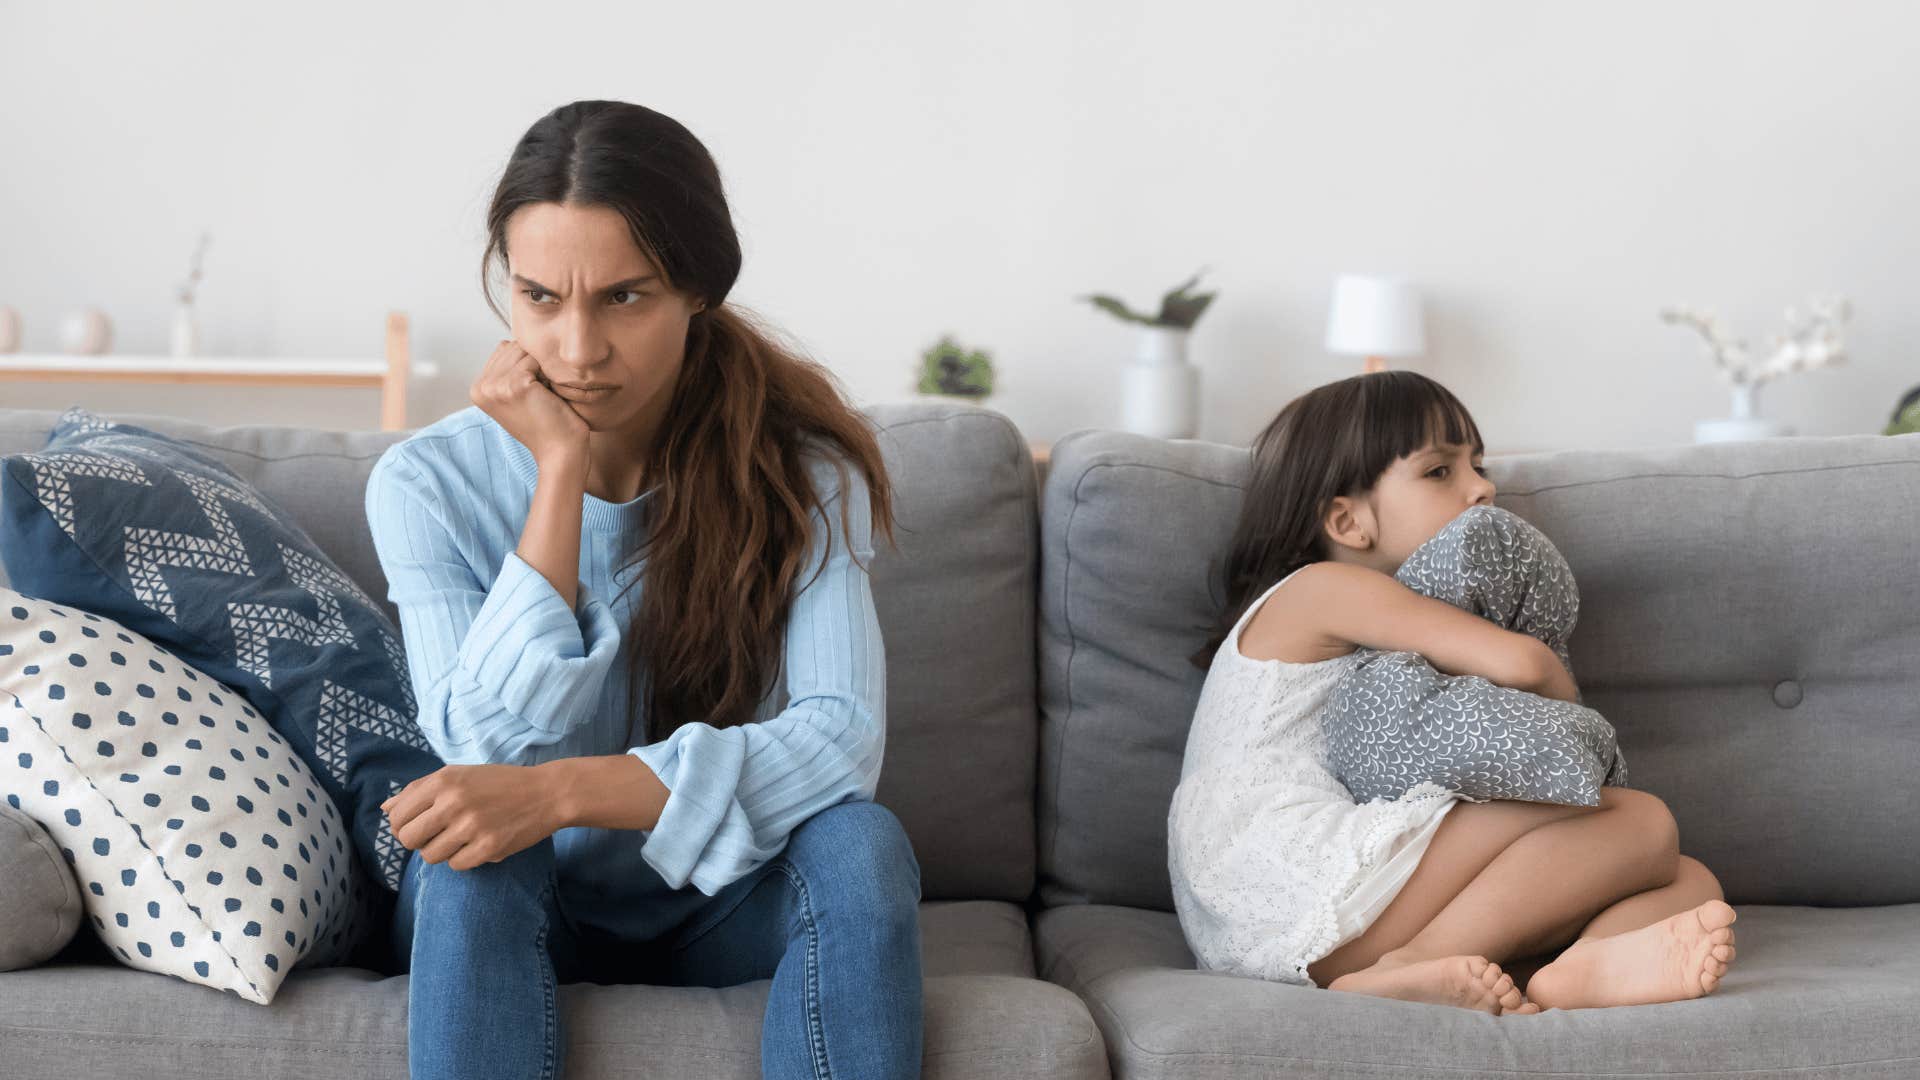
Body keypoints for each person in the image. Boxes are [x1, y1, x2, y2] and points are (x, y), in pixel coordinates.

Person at [363, 99, 923, 1079]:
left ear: (698, 289)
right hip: (519, 903)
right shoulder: (425, 486)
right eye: (540, 298)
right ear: (505, 289)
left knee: (860, 845)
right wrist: (557, 476)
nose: (577, 350)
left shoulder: (804, 471)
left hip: (724, 893)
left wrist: (561, 792)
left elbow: (842, 741)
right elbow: (482, 748)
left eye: (624, 298)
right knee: (470, 863)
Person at [1168, 370, 1739, 1014]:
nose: (1483, 488)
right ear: (1347, 520)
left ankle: (1575, 973)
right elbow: (1523, 664)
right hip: (1286, 873)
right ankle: (1413, 963)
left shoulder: (1387, 643)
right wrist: (1562, 708)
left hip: (1295, 927)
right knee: (1638, 818)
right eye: (1440, 471)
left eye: (1478, 464)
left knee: (1691, 883)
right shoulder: (1325, 588)